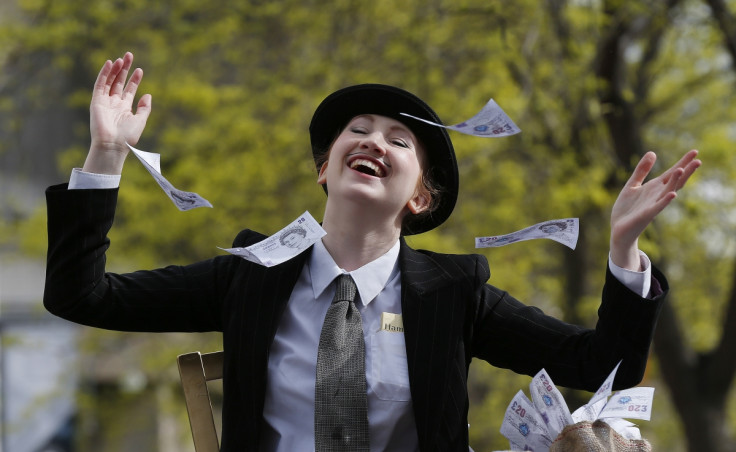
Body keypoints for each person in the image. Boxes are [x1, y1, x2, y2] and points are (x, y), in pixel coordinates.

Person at [43, 52, 701, 451]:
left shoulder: (455, 292)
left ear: (420, 196)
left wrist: (623, 249)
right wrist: (105, 156)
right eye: (357, 132)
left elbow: (602, 364)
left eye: (399, 140)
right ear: (324, 170)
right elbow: (81, 294)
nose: (375, 140)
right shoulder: (253, 273)